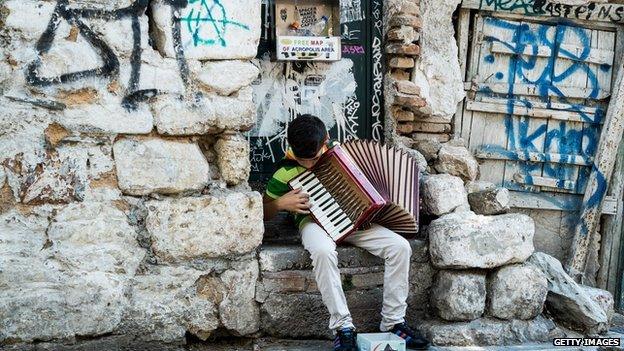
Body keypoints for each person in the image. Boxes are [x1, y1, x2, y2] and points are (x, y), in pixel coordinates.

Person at [263, 114, 430, 351]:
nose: (309, 165)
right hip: (313, 222)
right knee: (322, 250)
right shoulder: (284, 172)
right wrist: (280, 204)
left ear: (326, 141)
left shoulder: (344, 154)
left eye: (314, 158)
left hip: (354, 222)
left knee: (400, 247)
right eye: (303, 160)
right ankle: (343, 327)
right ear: (291, 148)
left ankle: (393, 323)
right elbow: (263, 211)